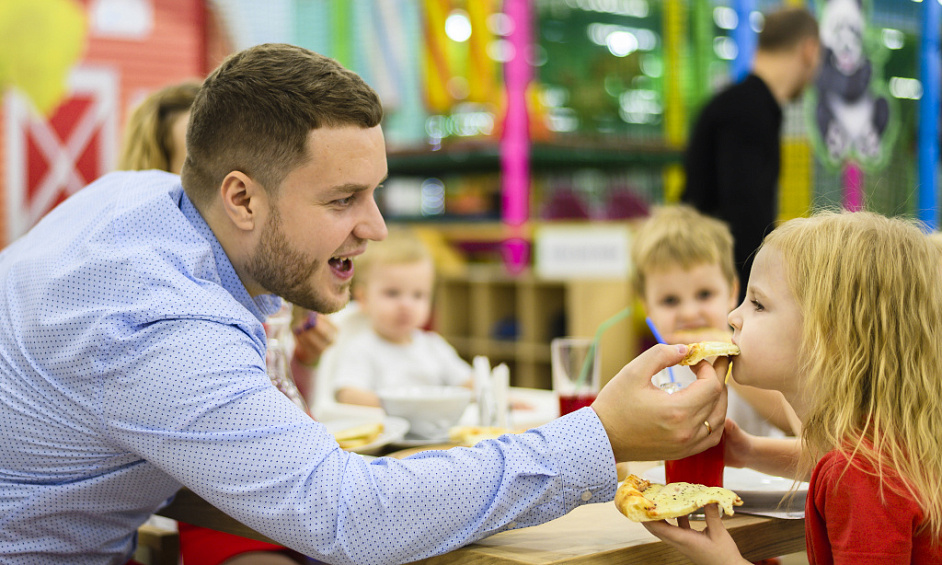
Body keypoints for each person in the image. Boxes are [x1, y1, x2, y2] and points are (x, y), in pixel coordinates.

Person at [0, 44, 727, 564]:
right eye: (343, 198)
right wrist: (599, 435)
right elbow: (348, 515)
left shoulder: (139, 202)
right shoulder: (162, 323)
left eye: (374, 192)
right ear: (241, 197)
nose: (375, 227)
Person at [643, 211, 942, 564]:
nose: (732, 318)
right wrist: (750, 452)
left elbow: (848, 474)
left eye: (757, 304)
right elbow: (828, 460)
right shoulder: (891, 444)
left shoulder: (860, 480)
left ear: (829, 337)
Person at [117, 80, 322, 565]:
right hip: (211, 503)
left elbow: (278, 400)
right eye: (200, 154)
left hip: (260, 489)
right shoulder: (156, 292)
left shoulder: (254, 276)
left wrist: (305, 357)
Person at [682, 7, 820, 300]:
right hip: (720, 285)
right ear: (809, 50)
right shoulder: (750, 112)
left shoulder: (738, 104)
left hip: (707, 275)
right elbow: (745, 214)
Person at [630, 205, 793, 437]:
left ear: (732, 292)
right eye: (670, 300)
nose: (688, 313)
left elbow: (791, 421)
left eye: (704, 294)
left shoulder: (755, 355)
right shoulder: (649, 377)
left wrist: (727, 354)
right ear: (647, 307)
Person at [328, 229, 472, 407]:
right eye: (392, 293)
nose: (406, 305)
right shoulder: (362, 348)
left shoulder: (433, 346)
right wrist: (402, 407)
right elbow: (347, 395)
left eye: (418, 295)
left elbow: (468, 383)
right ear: (363, 298)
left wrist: (498, 396)